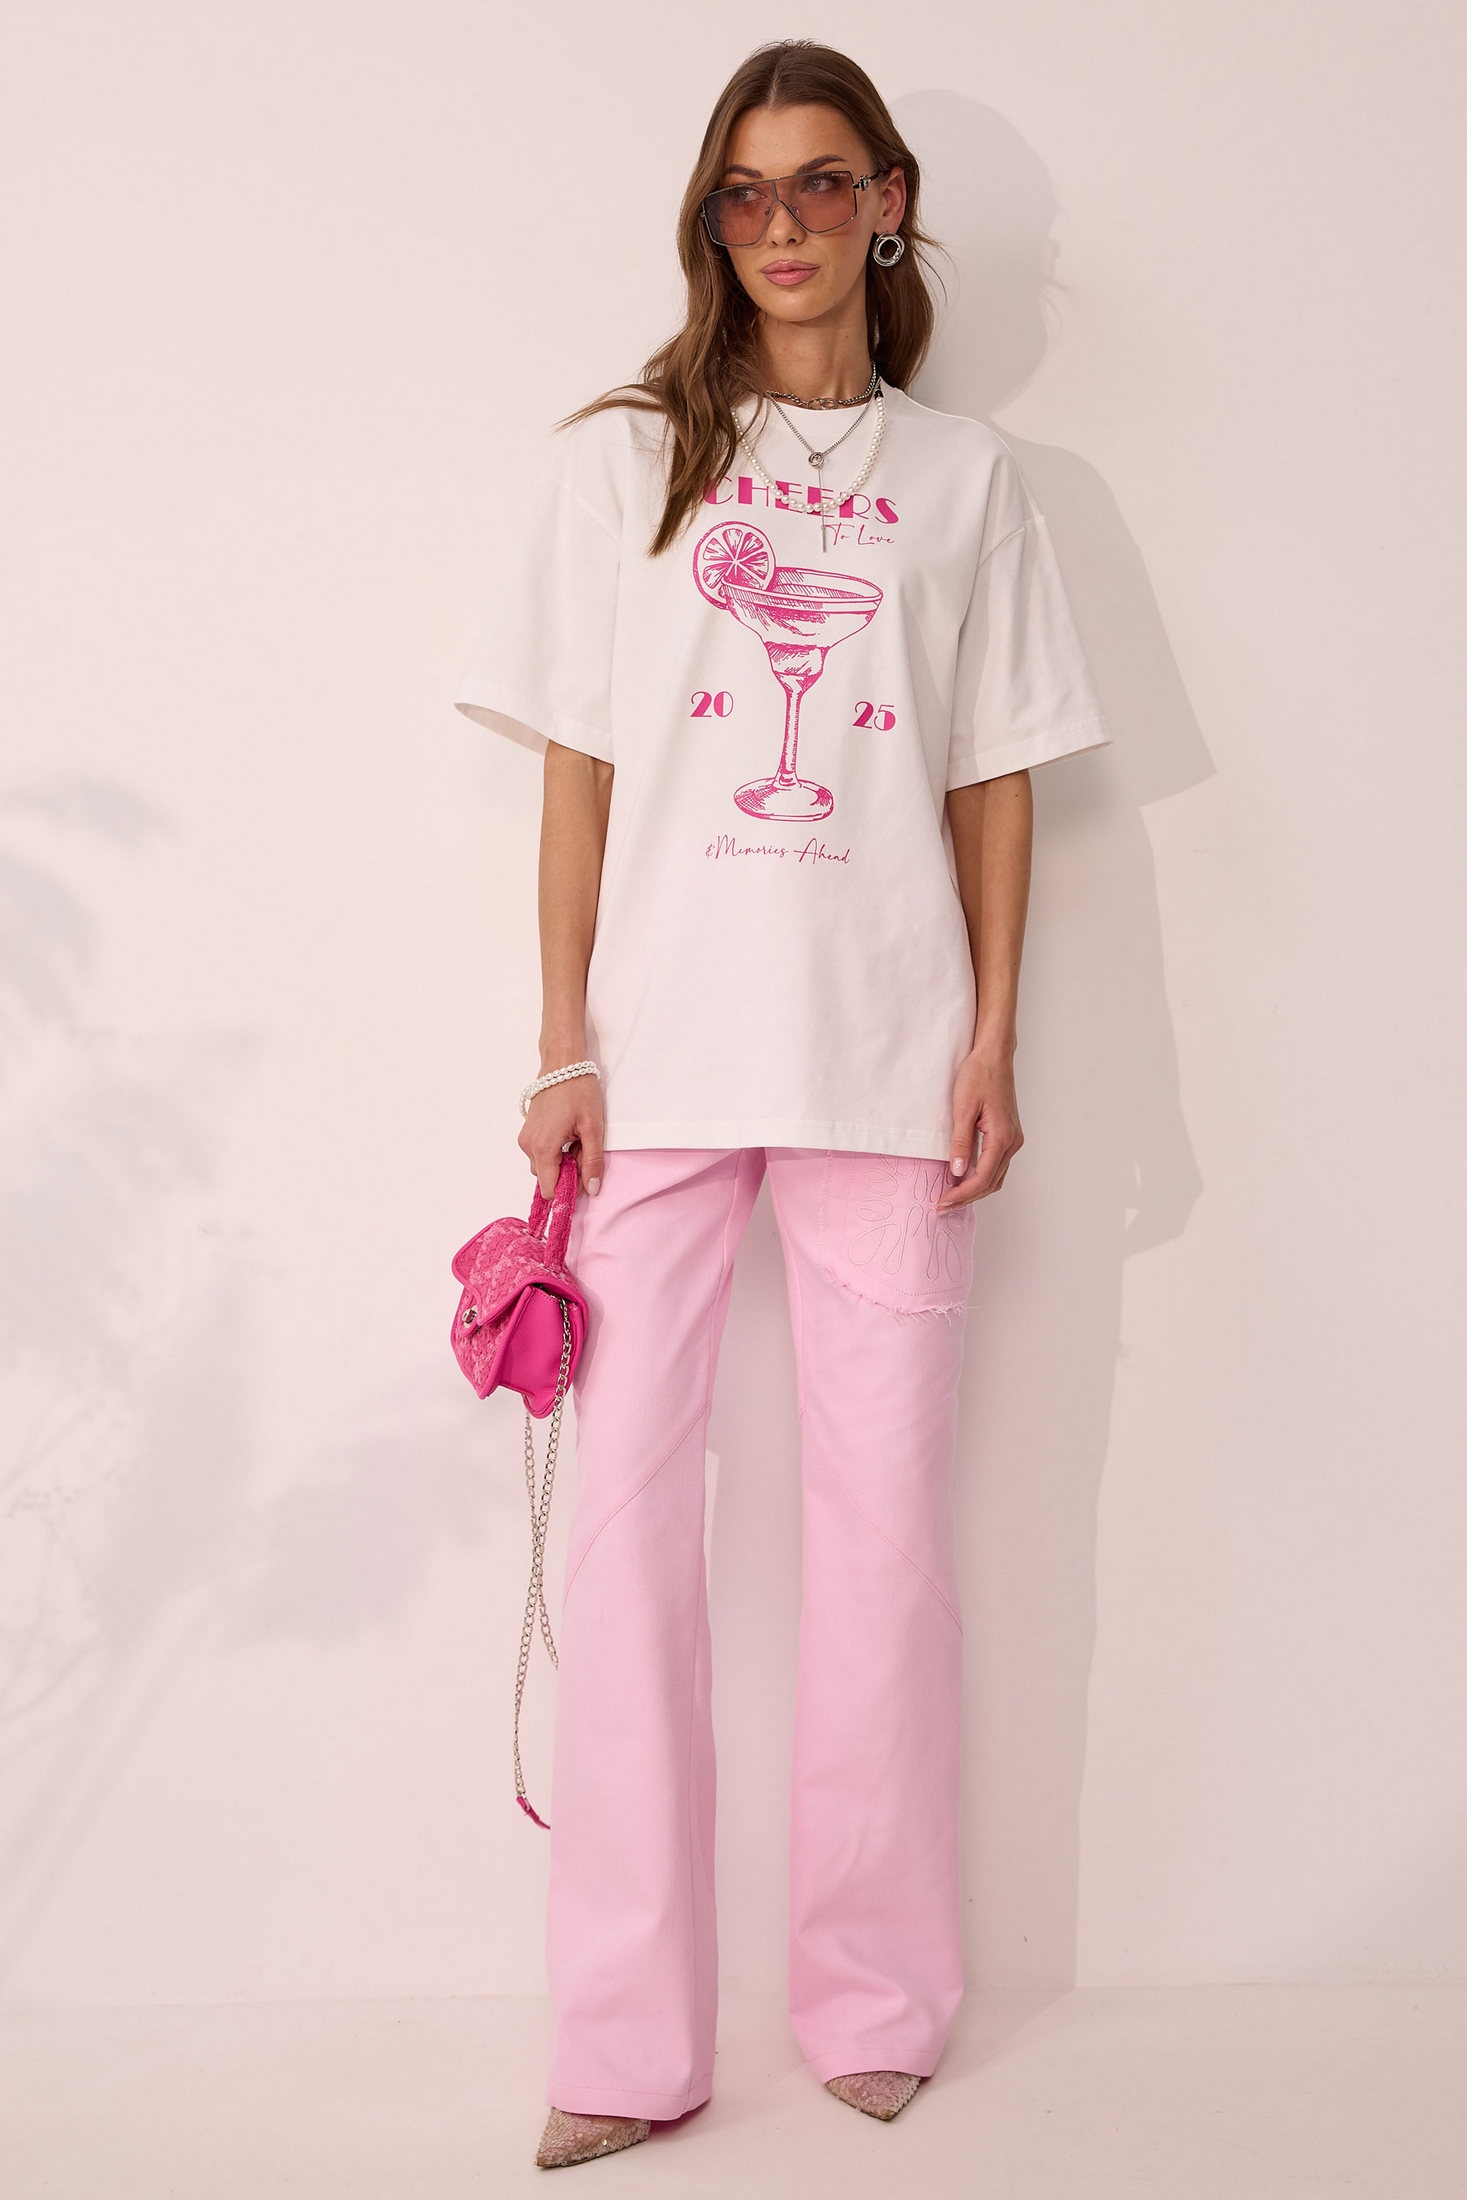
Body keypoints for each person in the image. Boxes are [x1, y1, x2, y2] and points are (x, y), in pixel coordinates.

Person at [455, 38, 1109, 2172]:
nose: (784, 225)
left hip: (887, 1060)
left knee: (883, 1544)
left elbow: (990, 775)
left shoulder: (970, 480)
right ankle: (625, 2034)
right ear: (710, 220)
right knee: (633, 1544)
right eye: (744, 192)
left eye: (822, 183)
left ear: (889, 202)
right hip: (655, 1069)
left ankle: (875, 1996)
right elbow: (579, 774)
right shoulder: (621, 464)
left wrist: (991, 1034)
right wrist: (562, 1040)